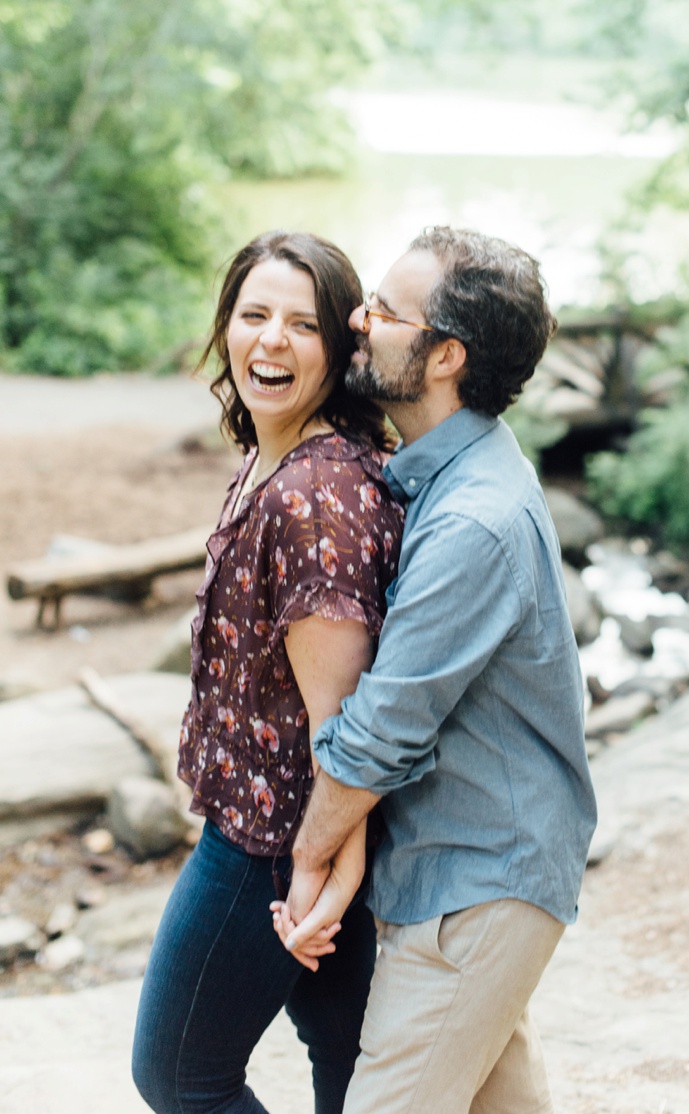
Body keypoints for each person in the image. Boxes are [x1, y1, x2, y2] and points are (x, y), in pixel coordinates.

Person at [270, 226, 597, 1114]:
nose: (356, 320)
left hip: (479, 883)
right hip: (471, 871)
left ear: (445, 354)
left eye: (382, 310)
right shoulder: (453, 476)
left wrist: (309, 861)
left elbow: (382, 729)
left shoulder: (473, 520)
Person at [132, 230, 404, 1113]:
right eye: (253, 315)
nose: (270, 341)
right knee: (347, 1062)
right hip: (292, 831)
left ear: (341, 348)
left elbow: (343, 720)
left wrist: (325, 867)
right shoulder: (273, 455)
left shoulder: (313, 495)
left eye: (302, 323)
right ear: (226, 327)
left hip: (273, 844)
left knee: (179, 1075)